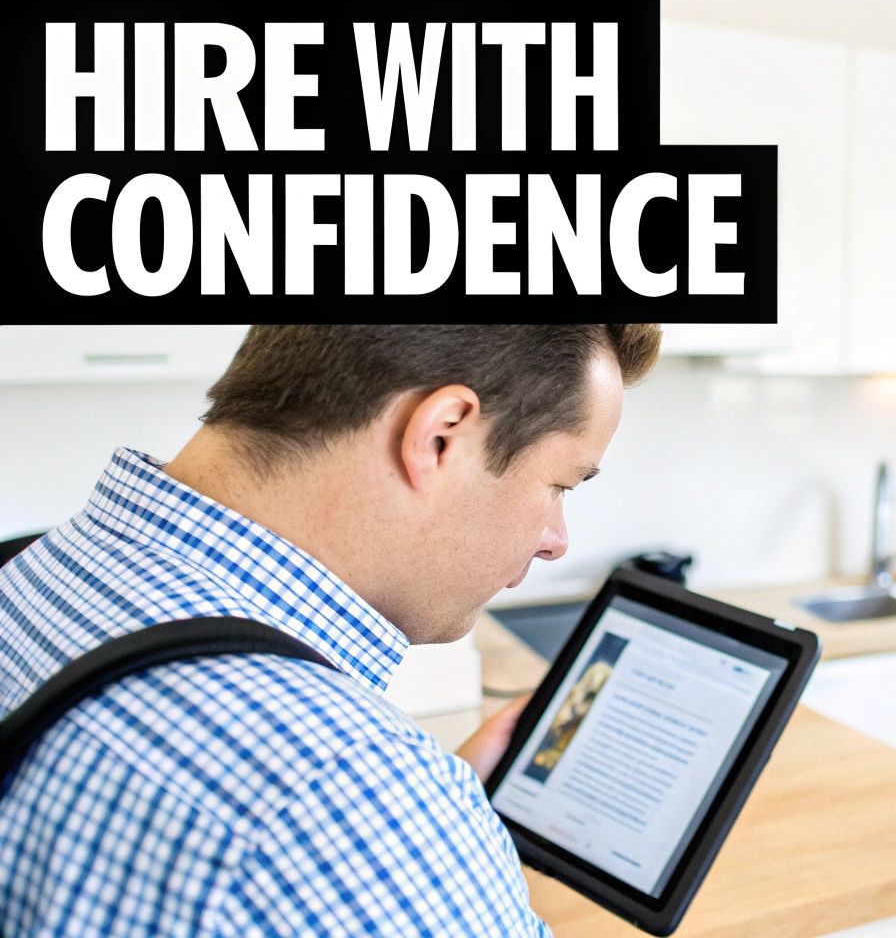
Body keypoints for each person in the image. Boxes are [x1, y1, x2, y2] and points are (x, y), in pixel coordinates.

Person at [0, 324, 661, 936]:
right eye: (561, 485)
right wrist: (414, 835)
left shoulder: (30, 569)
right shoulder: (339, 801)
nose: (556, 541)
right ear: (440, 437)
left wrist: (418, 846)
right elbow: (308, 821)